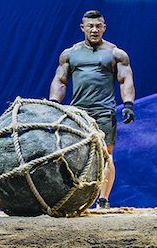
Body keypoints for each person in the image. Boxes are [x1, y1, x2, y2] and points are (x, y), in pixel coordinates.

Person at [49, 10, 135, 209]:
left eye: (98, 26)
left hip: (104, 111)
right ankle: (73, 197)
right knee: (71, 155)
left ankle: (103, 200)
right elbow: (60, 81)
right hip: (78, 113)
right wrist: (54, 104)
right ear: (83, 28)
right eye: (91, 26)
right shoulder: (70, 54)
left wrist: (129, 104)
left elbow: (125, 80)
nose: (95, 30)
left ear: (104, 27)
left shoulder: (116, 53)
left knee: (105, 154)